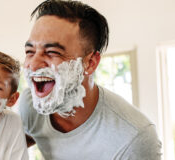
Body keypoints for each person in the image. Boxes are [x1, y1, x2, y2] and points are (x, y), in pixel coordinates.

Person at [19, 0, 162, 159]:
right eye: (29, 51)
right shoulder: (30, 105)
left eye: (52, 52)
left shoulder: (134, 137)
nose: (33, 64)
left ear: (90, 63)